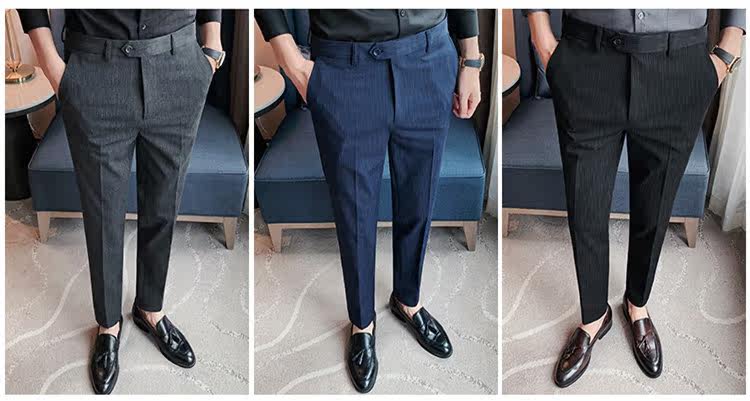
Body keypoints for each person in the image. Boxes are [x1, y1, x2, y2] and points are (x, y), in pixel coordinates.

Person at [255, 9, 482, 393]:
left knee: (420, 195)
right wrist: (291, 61)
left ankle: (408, 300)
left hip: (429, 58)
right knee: (354, 211)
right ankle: (361, 322)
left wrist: (471, 58)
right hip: (346, 69)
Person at [524, 9, 744, 387]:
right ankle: (594, 317)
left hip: (679, 65)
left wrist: (729, 46)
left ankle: (637, 304)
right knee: (585, 205)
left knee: (655, 207)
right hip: (587, 58)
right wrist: (539, 32)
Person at [18, 9, 227, 394]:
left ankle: (150, 309)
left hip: (179, 66)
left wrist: (211, 46)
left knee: (164, 204)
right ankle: (108, 324)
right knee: (102, 213)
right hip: (95, 70)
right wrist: (53, 67)